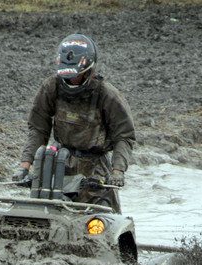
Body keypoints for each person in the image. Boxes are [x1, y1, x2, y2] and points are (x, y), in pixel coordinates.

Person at [12, 33, 135, 212]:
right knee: (49, 212)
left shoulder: (107, 95)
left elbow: (124, 136)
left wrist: (117, 171)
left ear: (88, 70)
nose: (71, 80)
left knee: (102, 219)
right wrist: (25, 165)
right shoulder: (51, 87)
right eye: (67, 76)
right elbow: (38, 128)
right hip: (59, 162)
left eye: (76, 75)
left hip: (95, 169)